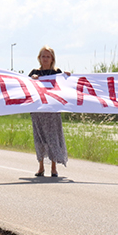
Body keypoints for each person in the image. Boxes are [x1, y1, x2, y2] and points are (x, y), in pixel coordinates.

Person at [28, 46, 69, 177]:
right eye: (43, 56)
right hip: (38, 111)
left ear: (52, 59)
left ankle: (53, 167)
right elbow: (26, 88)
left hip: (52, 111)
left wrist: (66, 76)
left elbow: (64, 86)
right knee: (40, 138)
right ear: (39, 58)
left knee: (53, 138)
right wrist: (32, 80)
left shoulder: (57, 72)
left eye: (48, 56)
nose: (45, 59)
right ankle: (40, 167)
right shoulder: (34, 73)